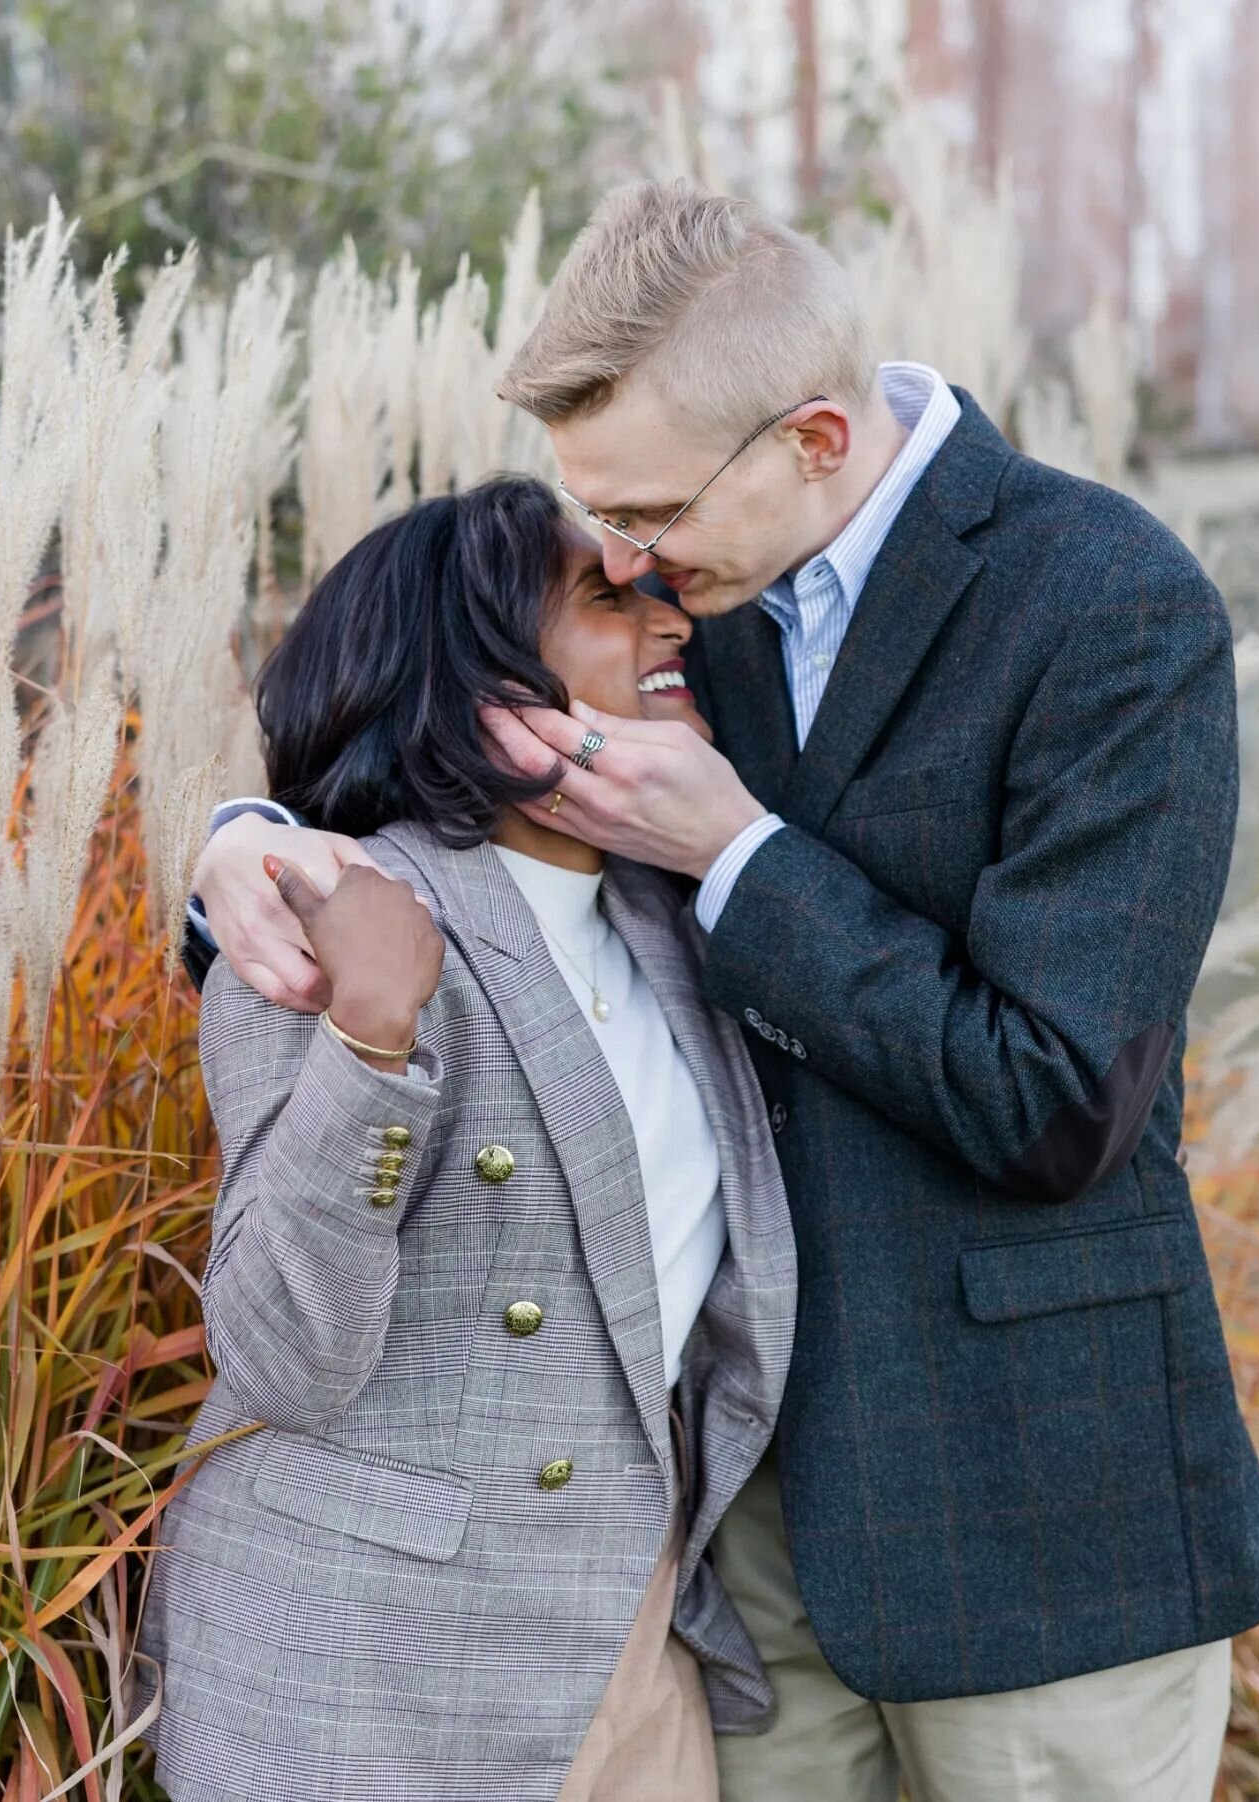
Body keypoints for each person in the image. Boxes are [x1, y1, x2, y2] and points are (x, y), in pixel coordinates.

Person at [189, 181, 1259, 1802]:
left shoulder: (1108, 605)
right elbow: (426, 728)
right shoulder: (684, 597)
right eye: (603, 531)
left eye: (648, 522)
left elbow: (1060, 1100)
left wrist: (744, 858)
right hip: (738, 1528)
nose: (626, 563)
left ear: (818, 441)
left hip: (1036, 1508)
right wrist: (243, 849)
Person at [142, 479, 797, 1802]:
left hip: (627, 1638)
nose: (668, 619)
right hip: (369, 1672)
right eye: (608, 598)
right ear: (476, 672)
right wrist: (371, 1045)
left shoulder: (673, 919)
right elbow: (279, 1347)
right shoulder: (328, 913)